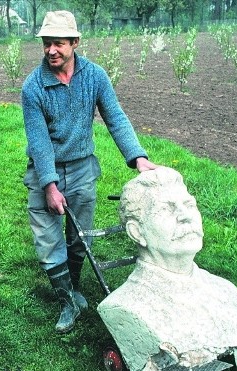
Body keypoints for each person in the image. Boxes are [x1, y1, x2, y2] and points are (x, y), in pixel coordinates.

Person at [21, 10, 157, 333]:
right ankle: (67, 302)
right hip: (46, 170)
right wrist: (49, 185)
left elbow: (116, 118)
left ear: (75, 42)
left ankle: (76, 287)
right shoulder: (33, 88)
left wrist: (138, 158)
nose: (51, 50)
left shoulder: (95, 77)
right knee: (48, 238)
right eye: (46, 43)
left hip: (82, 169)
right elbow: (39, 142)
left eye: (58, 43)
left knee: (79, 237)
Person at [97, 167, 237, 371]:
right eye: (166, 210)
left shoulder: (226, 290)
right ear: (137, 232)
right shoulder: (125, 306)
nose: (186, 216)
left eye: (189, 205)